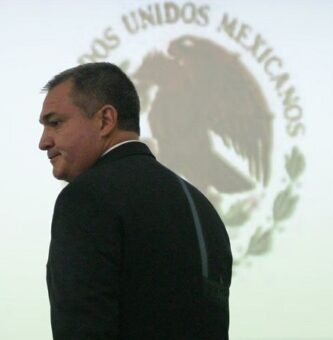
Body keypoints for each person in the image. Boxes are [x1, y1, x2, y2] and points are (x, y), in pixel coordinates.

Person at [38, 62, 232, 339]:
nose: (44, 141)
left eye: (55, 123)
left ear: (105, 120)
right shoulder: (204, 209)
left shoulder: (86, 197)